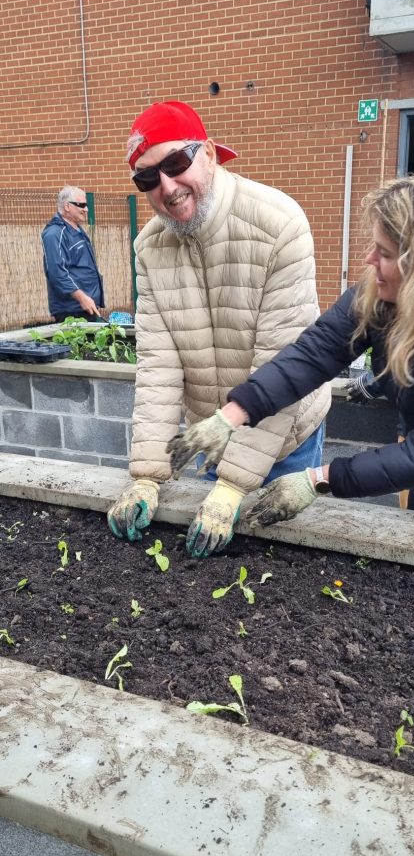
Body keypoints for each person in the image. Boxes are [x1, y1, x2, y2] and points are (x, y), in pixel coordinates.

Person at [167, 170, 414, 521]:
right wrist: (228, 417)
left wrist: (319, 480)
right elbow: (313, 355)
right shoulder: (381, 300)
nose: (369, 260)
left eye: (383, 252)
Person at [107, 99, 331, 556]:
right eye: (148, 178)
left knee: (283, 558)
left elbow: (284, 366)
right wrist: (147, 476)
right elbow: (158, 368)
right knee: (215, 557)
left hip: (289, 435)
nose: (166, 187)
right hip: (212, 430)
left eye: (175, 163)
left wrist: (231, 487)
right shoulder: (150, 247)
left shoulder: (279, 224)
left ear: (207, 152)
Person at [41, 185, 104, 322]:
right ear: (67, 206)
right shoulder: (55, 234)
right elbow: (56, 272)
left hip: (87, 307)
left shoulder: (77, 229)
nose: (86, 209)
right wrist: (81, 297)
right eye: (81, 205)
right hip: (71, 311)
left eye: (86, 205)